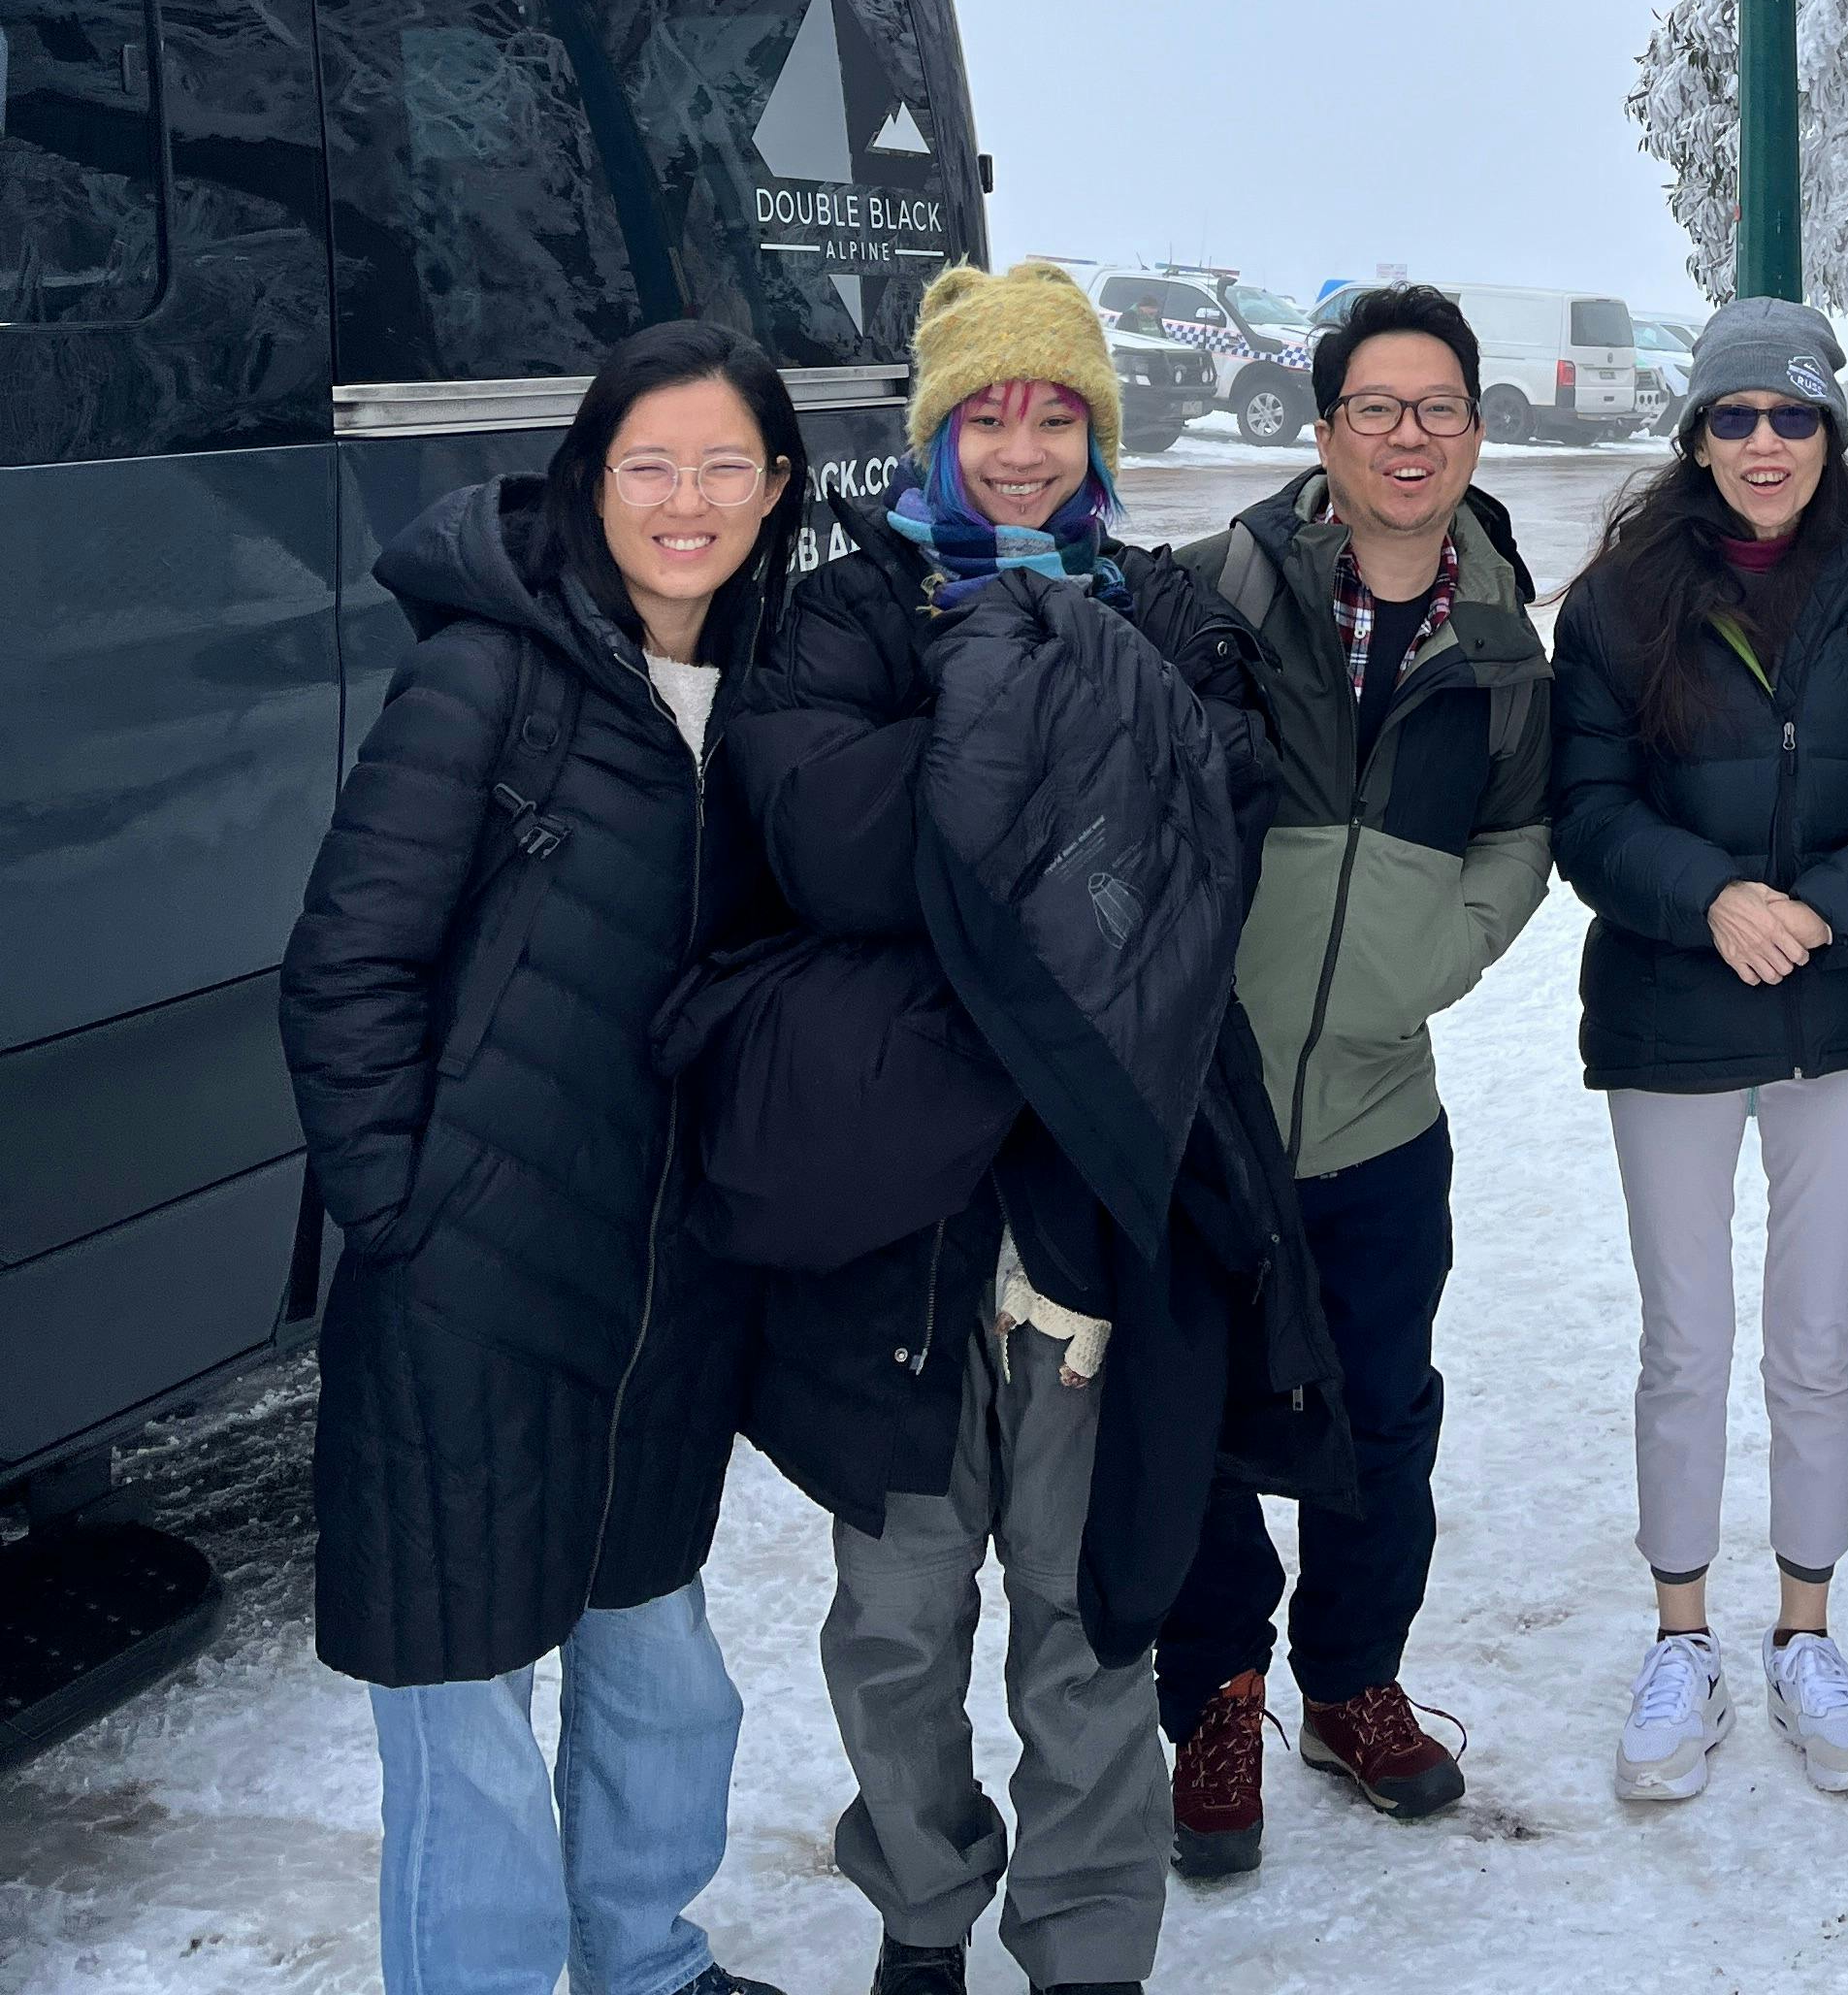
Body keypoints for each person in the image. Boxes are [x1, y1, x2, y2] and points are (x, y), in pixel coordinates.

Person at [673, 258, 1337, 1995]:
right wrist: (1045, 713)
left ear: (1098, 432)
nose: (1024, 449)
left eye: (1058, 415)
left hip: (1093, 1203)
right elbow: (829, 842)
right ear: (936, 432)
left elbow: (1210, 849)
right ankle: (921, 1911)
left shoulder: (1171, 610)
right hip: (892, 1221)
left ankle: (1089, 1935)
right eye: (989, 415)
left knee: (1086, 1603)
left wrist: (1009, 767)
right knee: (897, 1616)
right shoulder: (843, 612)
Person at [279, 318, 804, 1995]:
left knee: (662, 1675)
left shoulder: (768, 692)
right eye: (650, 463)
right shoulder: (487, 676)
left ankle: (646, 1963)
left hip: (659, 1292)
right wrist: (406, 1211)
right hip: (472, 1287)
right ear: (588, 477)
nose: (685, 500)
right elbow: (346, 965)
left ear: (776, 489)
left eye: (724, 466)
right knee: (467, 1712)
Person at [1554, 298, 1848, 1805]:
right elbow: (1587, 812)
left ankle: (1805, 1633)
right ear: (1697, 433)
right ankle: (1679, 1636)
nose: (1765, 442)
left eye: (1793, 415)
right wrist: (1710, 898)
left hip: (1841, 1015)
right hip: (1672, 1021)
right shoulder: (1618, 602)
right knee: (1684, 1342)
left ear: (1829, 430)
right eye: (1736, 416)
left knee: (1816, 1339)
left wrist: (1825, 910)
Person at [1155, 284, 1554, 1874]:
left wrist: (1438, 958)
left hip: (1384, 1112)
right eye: (1376, 407)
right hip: (1204, 1113)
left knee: (1382, 1417)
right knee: (1195, 1421)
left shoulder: (1503, 637)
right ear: (1326, 431)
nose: (1409, 435)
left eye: (1438, 407)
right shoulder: (1216, 590)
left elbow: (1522, 832)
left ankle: (1351, 1684)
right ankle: (1218, 1697)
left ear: (1475, 431)